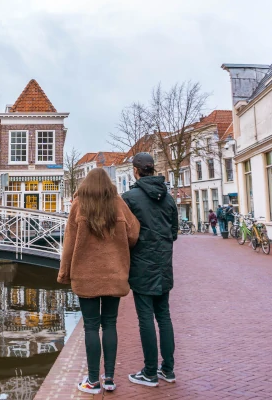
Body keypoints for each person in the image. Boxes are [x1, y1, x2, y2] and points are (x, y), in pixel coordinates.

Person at [57, 168, 140, 395]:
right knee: (110, 324)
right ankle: (110, 378)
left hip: (86, 276)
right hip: (115, 275)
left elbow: (69, 245)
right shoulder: (118, 204)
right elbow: (134, 234)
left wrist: (65, 273)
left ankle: (93, 380)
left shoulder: (78, 205)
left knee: (91, 326)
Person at [122, 152, 178, 387]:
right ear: (152, 170)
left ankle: (149, 373)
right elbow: (174, 232)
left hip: (141, 266)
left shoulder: (129, 198)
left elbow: (123, 233)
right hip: (163, 265)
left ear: (135, 171)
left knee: (145, 318)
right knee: (164, 316)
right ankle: (168, 370)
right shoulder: (169, 198)